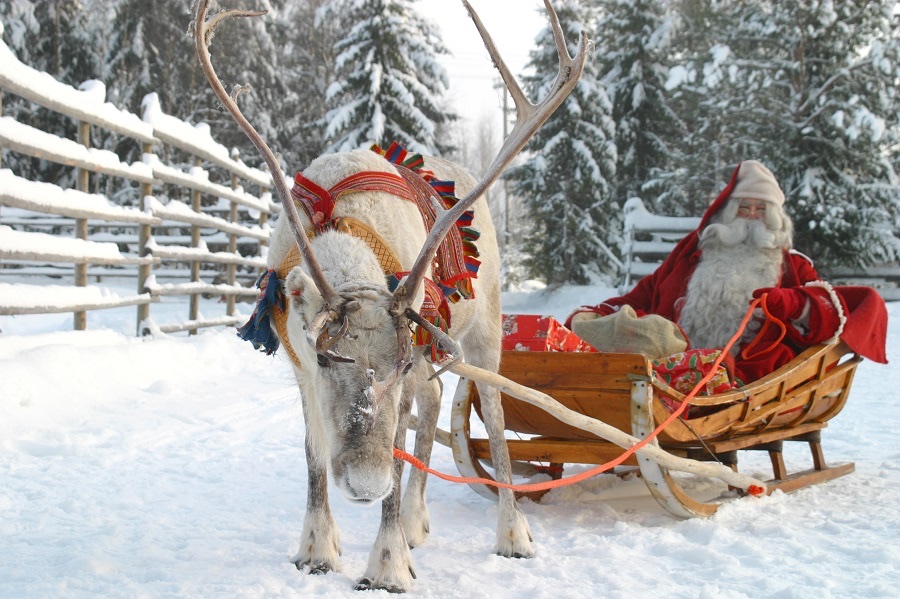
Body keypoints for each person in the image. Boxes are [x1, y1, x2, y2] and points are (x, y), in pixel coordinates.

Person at [567, 160, 888, 384]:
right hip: (670, 362)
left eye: (761, 209)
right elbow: (647, 292)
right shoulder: (693, 253)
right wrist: (599, 314)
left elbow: (827, 310)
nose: (751, 216)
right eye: (743, 207)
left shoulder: (791, 265)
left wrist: (789, 301)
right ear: (726, 212)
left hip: (746, 370)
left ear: (775, 216)